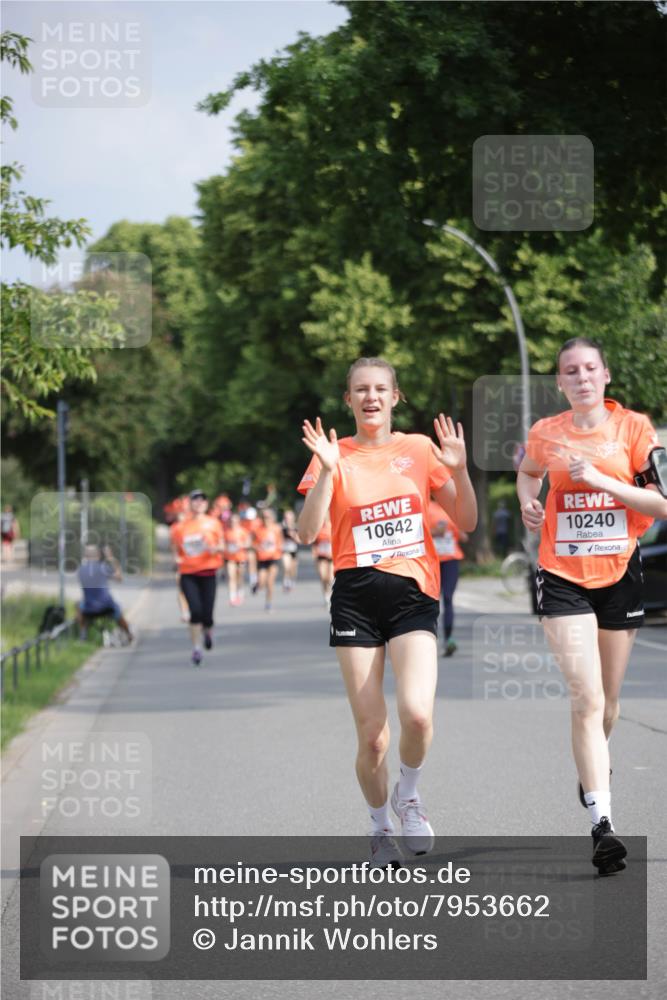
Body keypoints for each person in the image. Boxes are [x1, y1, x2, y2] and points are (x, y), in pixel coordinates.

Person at [297, 357, 477, 867]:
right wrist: (329, 471)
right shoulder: (333, 455)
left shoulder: (419, 449)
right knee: (372, 737)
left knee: (418, 714)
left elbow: (465, 519)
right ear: (348, 399)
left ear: (395, 397)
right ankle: (379, 828)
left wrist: (460, 470)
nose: (370, 397)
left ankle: (409, 794)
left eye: (380, 389)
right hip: (354, 594)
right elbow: (308, 533)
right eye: (360, 389)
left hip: (412, 592)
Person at [517, 337, 667, 876]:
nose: (580, 378)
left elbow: (660, 502)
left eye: (589, 369)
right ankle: (603, 824)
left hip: (620, 573)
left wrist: (602, 480)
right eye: (569, 371)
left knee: (608, 706)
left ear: (605, 376)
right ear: (560, 382)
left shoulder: (633, 429)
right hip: (562, 575)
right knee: (586, 698)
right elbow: (530, 471)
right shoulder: (546, 433)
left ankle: (592, 768)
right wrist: (528, 502)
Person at [170, 489, 224, 666]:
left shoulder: (213, 523)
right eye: (195, 500)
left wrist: (216, 549)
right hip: (189, 573)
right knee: (195, 611)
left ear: (206, 504)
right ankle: (196, 648)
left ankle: (207, 631)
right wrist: (176, 558)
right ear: (190, 504)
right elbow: (175, 548)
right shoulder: (180, 527)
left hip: (208, 572)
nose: (199, 502)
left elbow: (222, 545)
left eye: (202, 500)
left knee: (207, 614)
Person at [428, 501, 467, 657]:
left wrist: (458, 532)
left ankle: (449, 639)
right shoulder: (426, 505)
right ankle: (428, 640)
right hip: (432, 561)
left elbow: (462, 535)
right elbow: (416, 531)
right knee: (431, 600)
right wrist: (434, 532)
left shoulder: (452, 507)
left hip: (451, 560)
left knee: (448, 598)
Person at [77, 544, 133, 643]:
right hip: (106, 607)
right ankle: (128, 633)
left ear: (85, 556)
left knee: (78, 606)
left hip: (88, 608)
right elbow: (119, 578)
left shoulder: (81, 570)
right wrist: (111, 558)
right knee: (118, 610)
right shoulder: (103, 567)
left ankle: (83, 634)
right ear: (98, 555)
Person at [252, 507, 283, 612]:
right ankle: (257, 585)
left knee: (270, 582)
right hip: (262, 558)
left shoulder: (277, 528)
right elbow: (253, 543)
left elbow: (280, 542)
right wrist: (257, 547)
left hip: (274, 558)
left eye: (268, 517)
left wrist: (279, 548)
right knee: (261, 582)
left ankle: (268, 603)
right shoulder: (258, 529)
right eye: (264, 517)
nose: (266, 519)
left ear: (272, 518)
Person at [224, 512, 250, 606]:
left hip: (241, 557)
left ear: (238, 521)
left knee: (239, 577)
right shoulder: (226, 532)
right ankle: (232, 597)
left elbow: (248, 544)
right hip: (230, 558)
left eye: (235, 521)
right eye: (231, 521)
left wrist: (241, 545)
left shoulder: (243, 531)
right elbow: (223, 544)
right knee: (231, 577)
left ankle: (240, 593)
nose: (233, 522)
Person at [312, 514, 334, 606]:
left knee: (329, 578)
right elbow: (314, 543)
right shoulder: (318, 528)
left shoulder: (333, 526)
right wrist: (314, 554)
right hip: (321, 555)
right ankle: (325, 594)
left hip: (331, 556)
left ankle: (330, 594)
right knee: (322, 576)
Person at [281, 508, 300, 592]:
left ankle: (291, 580)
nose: (287, 519)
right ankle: (286, 582)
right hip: (285, 550)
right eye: (286, 517)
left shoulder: (296, 527)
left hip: (294, 551)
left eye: (289, 517)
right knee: (286, 566)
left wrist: (293, 535)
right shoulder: (281, 528)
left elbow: (299, 541)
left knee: (293, 569)